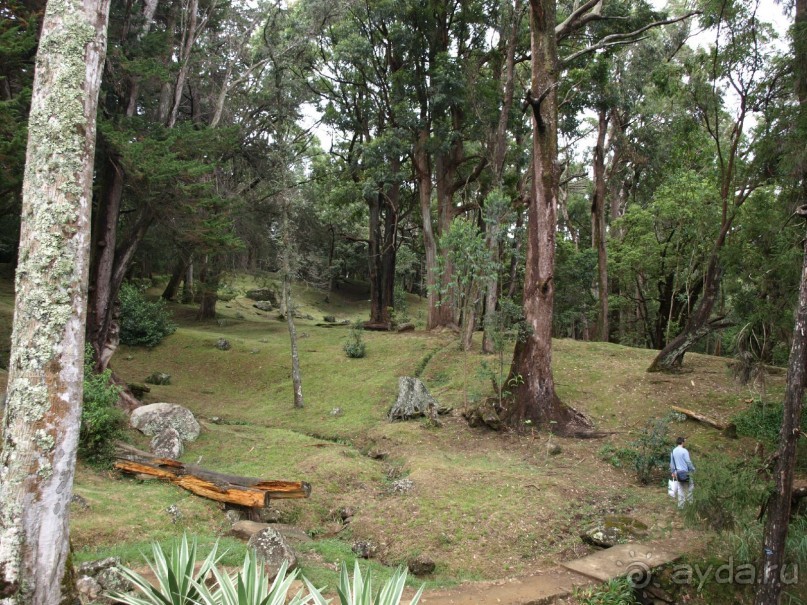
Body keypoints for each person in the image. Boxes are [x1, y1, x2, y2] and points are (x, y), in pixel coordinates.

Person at [670, 436, 695, 508]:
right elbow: (688, 462)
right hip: (685, 472)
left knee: (680, 489)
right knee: (690, 487)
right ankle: (690, 504)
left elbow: (672, 464)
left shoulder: (673, 451)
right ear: (682, 442)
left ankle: (681, 506)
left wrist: (673, 472)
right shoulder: (684, 451)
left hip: (678, 473)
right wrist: (693, 469)